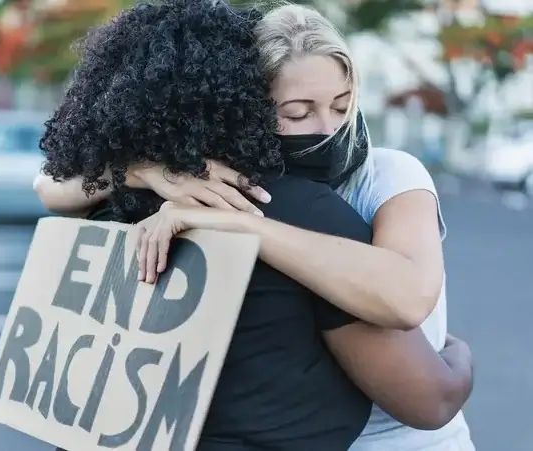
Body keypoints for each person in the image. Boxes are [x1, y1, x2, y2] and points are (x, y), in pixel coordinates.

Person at [41, 1, 473, 450]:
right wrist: (460, 357)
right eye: (297, 113)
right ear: (244, 104)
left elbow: (409, 297)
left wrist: (228, 220)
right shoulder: (289, 205)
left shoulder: (384, 177)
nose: (328, 130)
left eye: (343, 106)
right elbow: (429, 399)